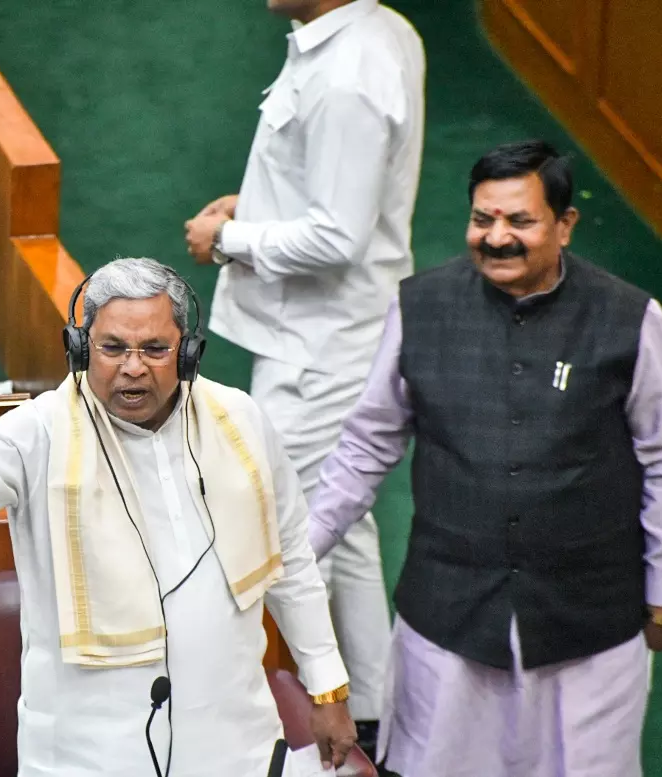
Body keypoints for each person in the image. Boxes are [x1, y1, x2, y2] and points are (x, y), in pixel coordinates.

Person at [0, 258, 356, 777]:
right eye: (112, 347)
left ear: (188, 352)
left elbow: (291, 557)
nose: (132, 367)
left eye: (155, 349)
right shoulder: (41, 429)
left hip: (236, 746)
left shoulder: (239, 420)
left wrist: (328, 687)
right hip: (88, 755)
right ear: (80, 348)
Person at [308, 140, 662, 777]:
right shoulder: (418, 307)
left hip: (588, 621)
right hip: (450, 615)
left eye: (520, 221)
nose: (497, 237)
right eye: (483, 219)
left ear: (565, 224)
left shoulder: (631, 319)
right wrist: (299, 549)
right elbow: (368, 443)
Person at [182, 0, 425, 750]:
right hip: (311, 334)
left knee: (276, 528)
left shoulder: (352, 70)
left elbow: (338, 235)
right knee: (340, 531)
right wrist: (256, 208)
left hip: (323, 347)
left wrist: (230, 236)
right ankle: (381, 727)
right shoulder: (370, 34)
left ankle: (219, 706)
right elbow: (328, 188)